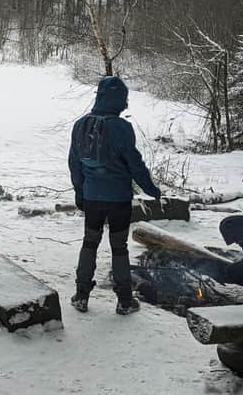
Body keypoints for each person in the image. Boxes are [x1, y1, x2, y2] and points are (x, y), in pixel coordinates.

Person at [68, 76, 162, 315]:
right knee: (119, 247)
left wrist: (80, 192)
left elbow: (74, 163)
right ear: (119, 100)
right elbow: (135, 164)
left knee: (90, 242)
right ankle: (124, 300)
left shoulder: (80, 124)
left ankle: (81, 295)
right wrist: (152, 190)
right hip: (118, 199)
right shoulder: (121, 127)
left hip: (91, 197)